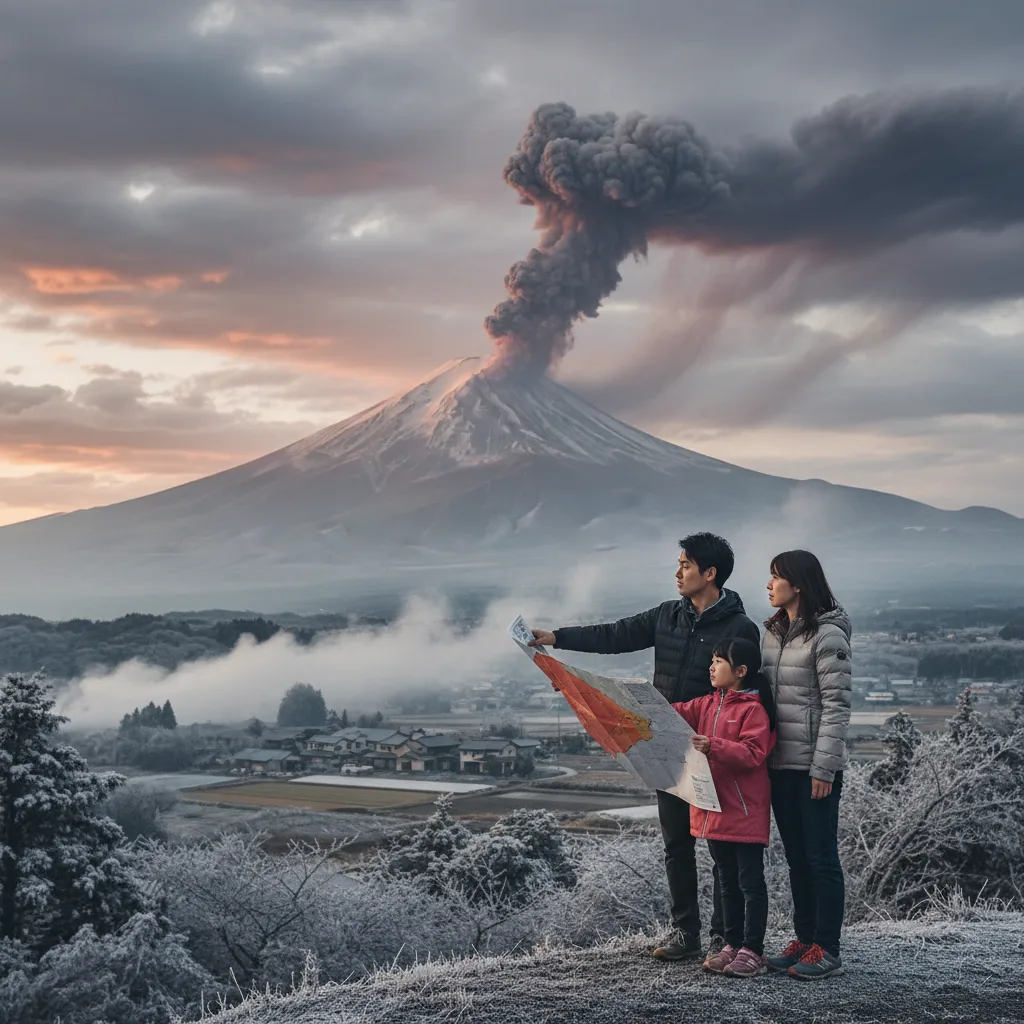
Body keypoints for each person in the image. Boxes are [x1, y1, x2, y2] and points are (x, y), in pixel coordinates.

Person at [530, 532, 760, 961]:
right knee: (676, 842)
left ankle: (722, 936)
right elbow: (615, 635)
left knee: (720, 848)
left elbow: (749, 688)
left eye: (686, 565)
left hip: (711, 750)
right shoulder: (667, 615)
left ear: (710, 574)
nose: (677, 572)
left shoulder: (739, 628)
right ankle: (684, 932)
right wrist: (555, 637)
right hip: (667, 747)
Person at [761, 550, 852, 980]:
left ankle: (828, 949)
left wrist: (824, 769)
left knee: (821, 858)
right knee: (797, 858)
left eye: (775, 577)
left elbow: (837, 708)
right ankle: (805, 940)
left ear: (796, 584)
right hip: (780, 765)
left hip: (814, 769)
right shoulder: (773, 633)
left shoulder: (828, 635)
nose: (769, 584)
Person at [672, 638, 776, 977]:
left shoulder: (753, 710)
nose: (712, 666)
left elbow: (753, 754)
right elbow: (670, 714)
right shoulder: (706, 705)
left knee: (749, 882)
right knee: (726, 881)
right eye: (713, 660)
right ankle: (732, 945)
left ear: (741, 671)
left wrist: (713, 746)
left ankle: (753, 950)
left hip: (743, 812)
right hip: (714, 811)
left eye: (719, 661)